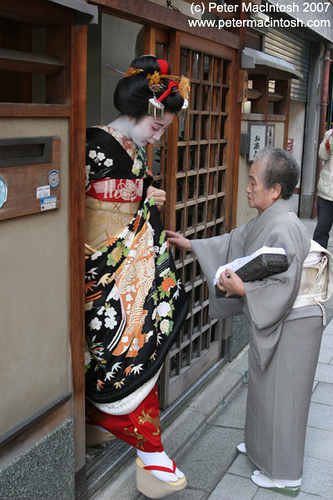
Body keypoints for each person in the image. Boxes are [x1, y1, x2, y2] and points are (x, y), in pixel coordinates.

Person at [166, 148, 330, 497]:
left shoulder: (285, 225)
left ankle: (285, 474)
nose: (248, 188)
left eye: (254, 182)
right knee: (263, 388)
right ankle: (259, 450)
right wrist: (192, 245)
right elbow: (235, 242)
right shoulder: (271, 217)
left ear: (274, 190)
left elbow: (283, 286)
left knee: (283, 395)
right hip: (281, 316)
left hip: (296, 320)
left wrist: (242, 288)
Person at [84, 55, 190, 499]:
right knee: (118, 343)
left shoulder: (133, 147)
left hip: (129, 262)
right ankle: (143, 445)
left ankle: (109, 425)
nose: (158, 135)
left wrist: (146, 192)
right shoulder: (91, 141)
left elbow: (135, 192)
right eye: (157, 126)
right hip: (98, 261)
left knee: (146, 329)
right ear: (133, 112)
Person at [313, 128, 333, 248]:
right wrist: (330, 141)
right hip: (327, 192)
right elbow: (323, 155)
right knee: (321, 230)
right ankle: (317, 260)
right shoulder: (329, 134)